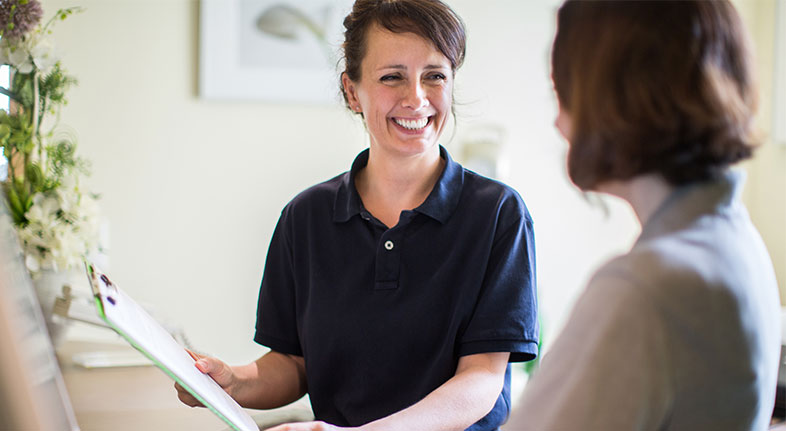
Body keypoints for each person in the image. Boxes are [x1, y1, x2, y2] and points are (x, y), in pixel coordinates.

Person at [176, 1, 539, 430]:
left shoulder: (498, 214)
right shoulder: (304, 218)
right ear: (352, 91)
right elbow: (294, 364)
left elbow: (481, 381)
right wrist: (231, 381)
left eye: (435, 76)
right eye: (392, 77)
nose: (417, 98)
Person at [505, 1, 782, 430]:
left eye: (564, 92)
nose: (559, 122)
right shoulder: (736, 242)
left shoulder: (646, 289)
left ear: (614, 98)